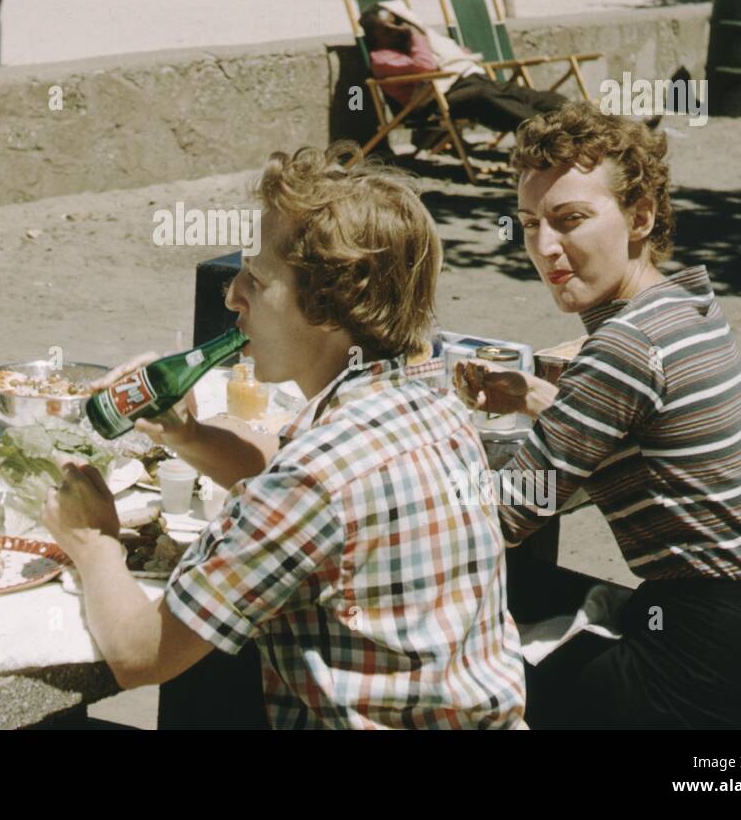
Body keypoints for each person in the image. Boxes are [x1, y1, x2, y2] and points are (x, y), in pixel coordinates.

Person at [42, 144, 527, 729]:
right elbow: (289, 473)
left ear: (328, 306)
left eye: (258, 279)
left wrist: (93, 542)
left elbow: (138, 654)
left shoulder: (314, 478)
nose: (232, 297)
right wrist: (184, 432)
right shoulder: (432, 402)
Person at [455, 104, 741, 729]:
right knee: (516, 595)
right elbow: (635, 429)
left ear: (640, 216)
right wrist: (536, 397)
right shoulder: (684, 307)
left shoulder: (623, 348)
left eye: (570, 220)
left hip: (706, 682)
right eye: (530, 223)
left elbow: (499, 517)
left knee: (443, 663)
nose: (543, 248)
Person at [359, 2, 566, 141]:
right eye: (386, 30)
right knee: (483, 95)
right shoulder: (381, 58)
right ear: (373, 36)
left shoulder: (403, 46)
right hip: (429, 105)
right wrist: (415, 34)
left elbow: (448, 57)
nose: (394, 31)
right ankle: (542, 133)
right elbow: (425, 67)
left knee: (513, 92)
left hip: (454, 87)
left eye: (395, 24)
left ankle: (569, 116)